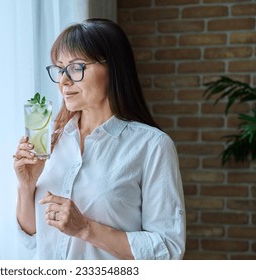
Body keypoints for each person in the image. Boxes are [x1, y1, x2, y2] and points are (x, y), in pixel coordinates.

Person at [13, 18, 186, 260]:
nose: (63, 80)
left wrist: (85, 228)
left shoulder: (152, 146)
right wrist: (26, 185)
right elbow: (32, 240)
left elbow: (167, 249)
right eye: (60, 68)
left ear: (112, 68)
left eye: (76, 67)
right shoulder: (49, 138)